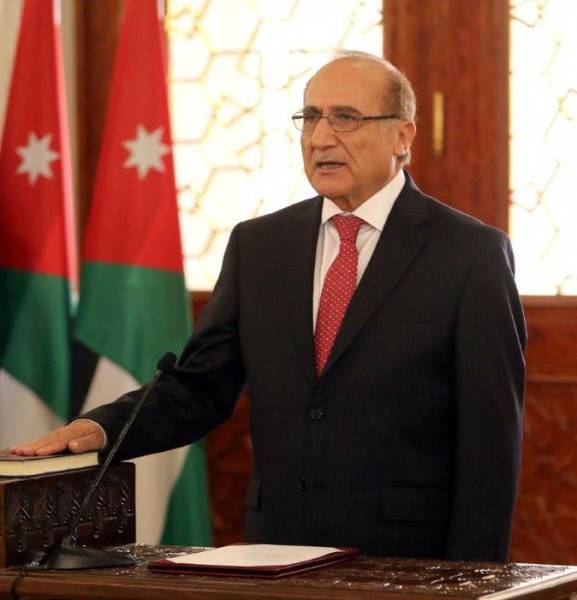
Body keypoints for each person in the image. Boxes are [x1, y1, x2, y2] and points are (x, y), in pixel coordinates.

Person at [12, 51, 526, 561]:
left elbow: (491, 443)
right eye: (311, 117)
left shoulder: (469, 254)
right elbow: (199, 386)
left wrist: (472, 580)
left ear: (402, 136)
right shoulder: (259, 246)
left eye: (345, 118)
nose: (320, 137)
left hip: (407, 561)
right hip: (277, 551)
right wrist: (104, 427)